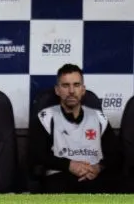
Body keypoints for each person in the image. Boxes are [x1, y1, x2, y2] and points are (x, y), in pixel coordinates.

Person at [30, 64, 120, 193]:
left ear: (83, 90)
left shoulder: (98, 118)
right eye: (65, 85)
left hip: (93, 177)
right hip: (59, 177)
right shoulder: (45, 118)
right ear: (57, 90)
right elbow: (36, 155)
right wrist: (69, 165)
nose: (71, 91)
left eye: (76, 85)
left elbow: (116, 154)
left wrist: (98, 167)